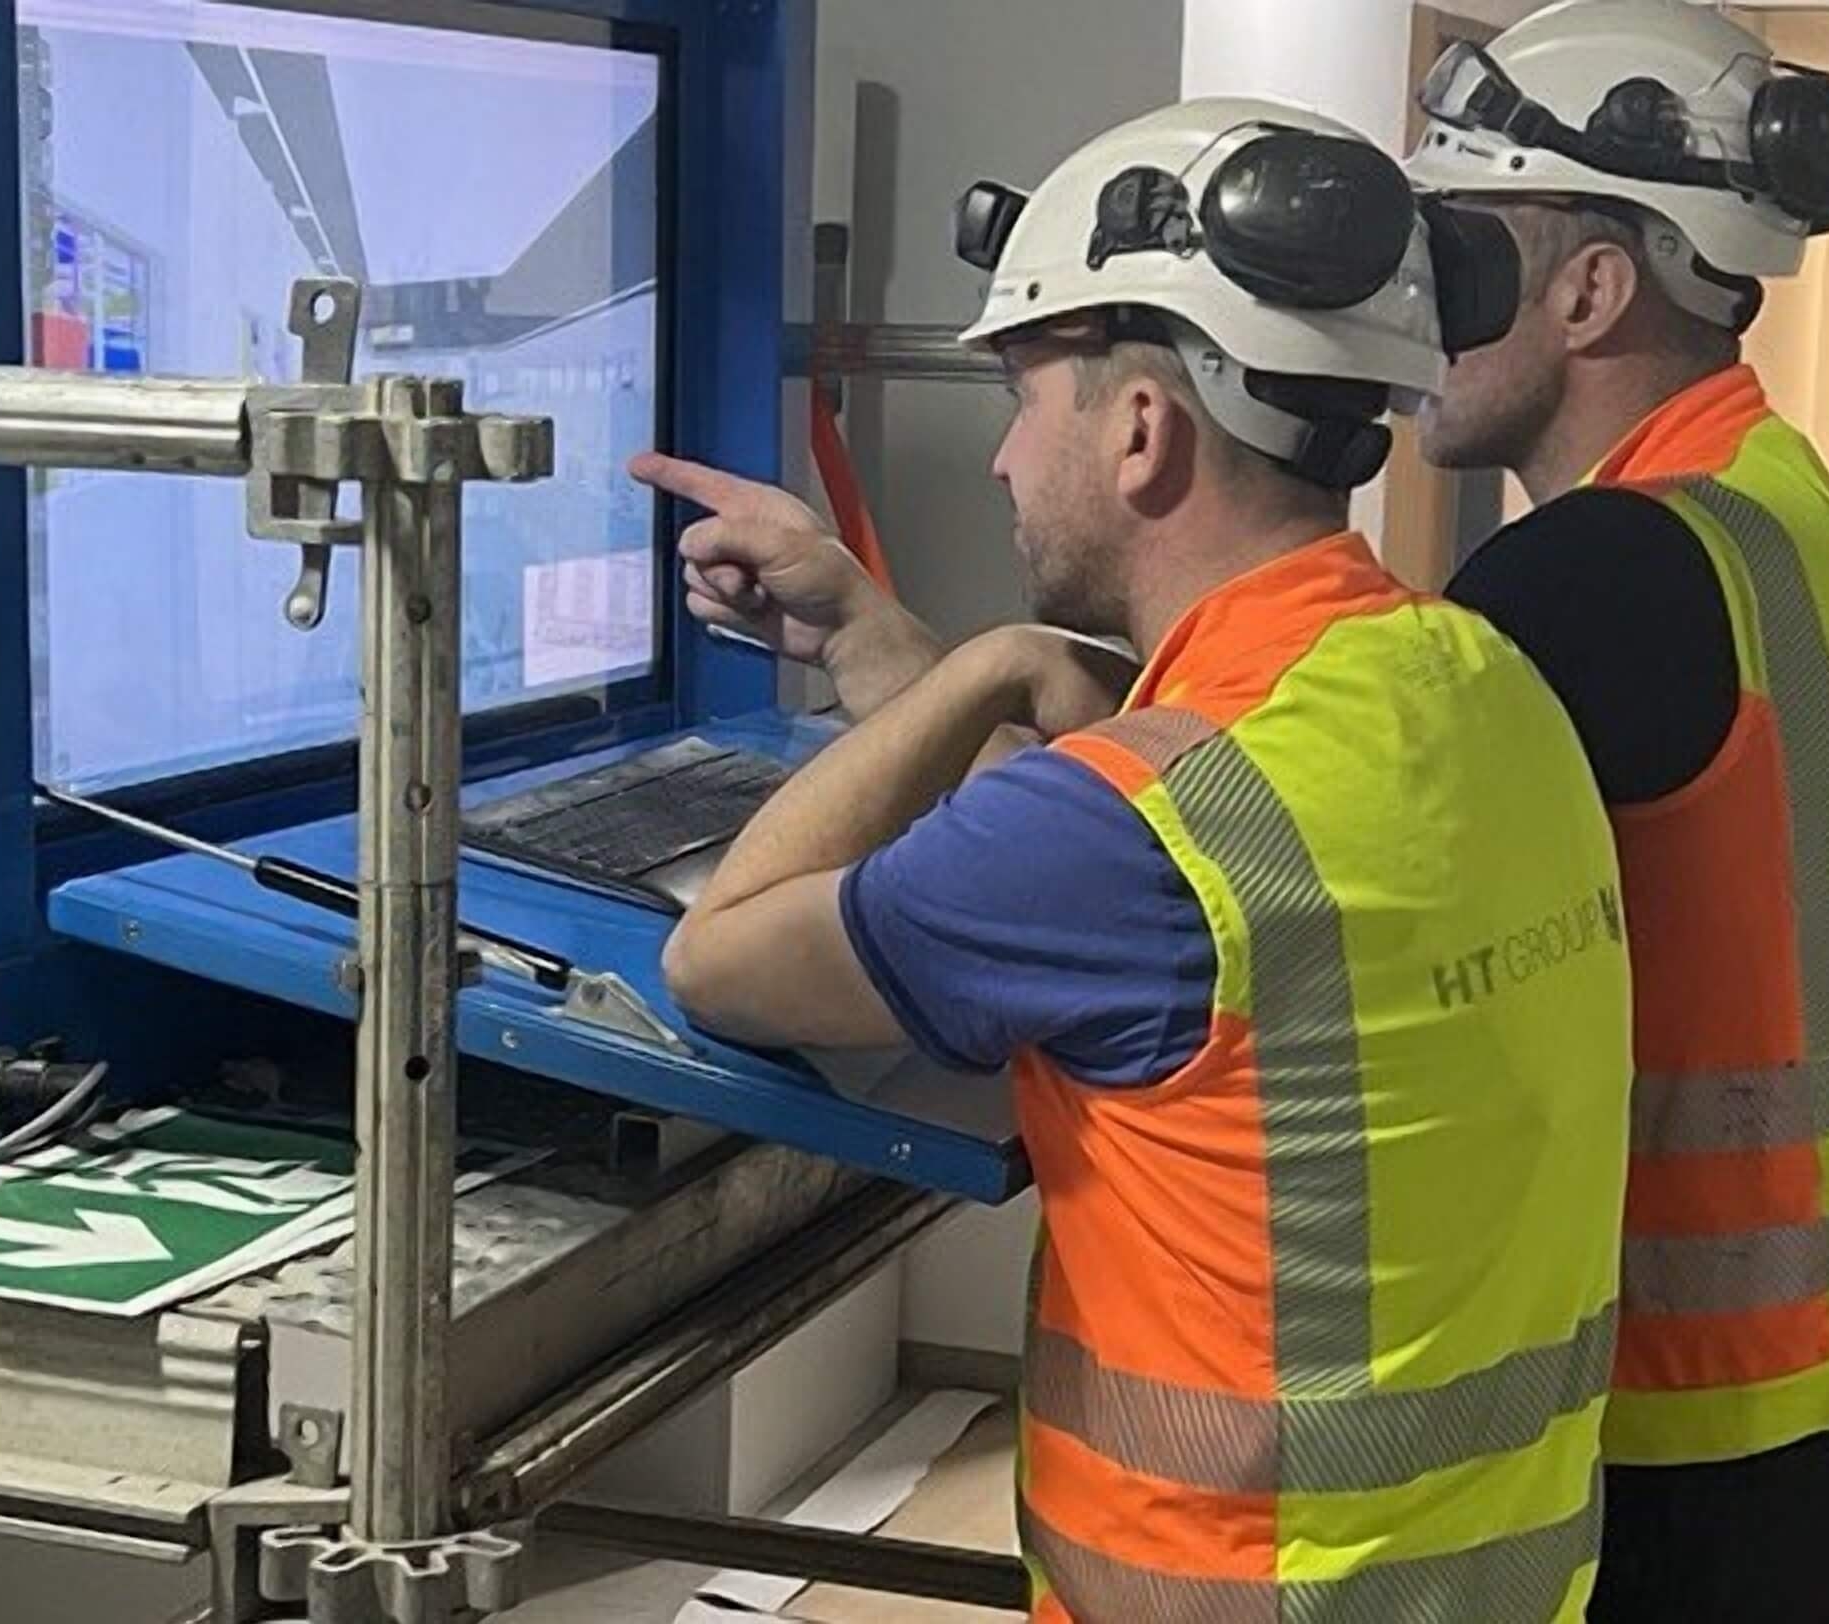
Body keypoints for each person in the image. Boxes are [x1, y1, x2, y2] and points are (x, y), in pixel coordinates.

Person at [643, 97, 1630, 1621]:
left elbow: (721, 957)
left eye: (1024, 402)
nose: (1001, 463)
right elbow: (1111, 865)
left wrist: (988, 668)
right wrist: (873, 637)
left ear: (1142, 428)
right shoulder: (1479, 687)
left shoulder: (1124, 832)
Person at [1405, 4, 1829, 1617]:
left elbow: (1304, 887)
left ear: (1590, 290)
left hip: (1726, 1417)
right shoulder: (1801, 518)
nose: (1414, 313)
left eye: (1456, 262)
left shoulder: (1596, 576)